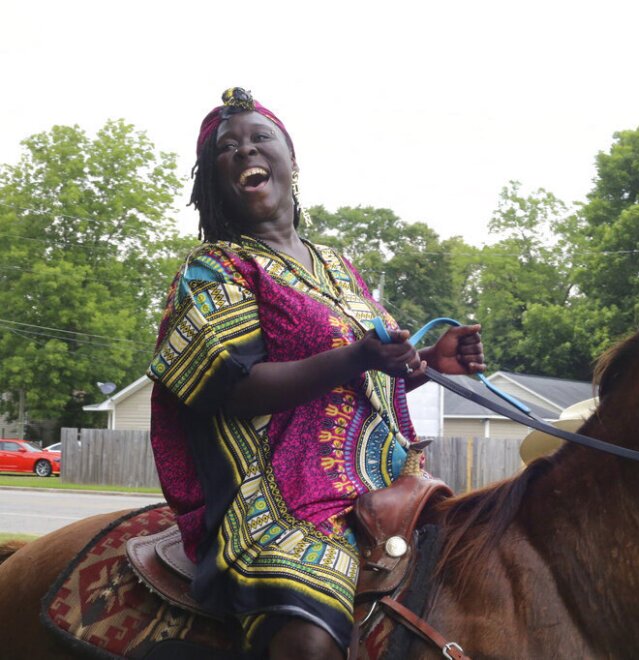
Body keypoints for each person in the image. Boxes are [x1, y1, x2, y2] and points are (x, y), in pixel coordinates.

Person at [147, 87, 485, 660]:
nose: (245, 151)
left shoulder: (336, 264)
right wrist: (356, 356)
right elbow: (232, 388)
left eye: (260, 138)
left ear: (291, 160)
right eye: (226, 148)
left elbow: (371, 373)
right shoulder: (214, 267)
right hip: (279, 498)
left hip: (388, 484)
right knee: (308, 634)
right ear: (212, 182)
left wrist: (428, 366)